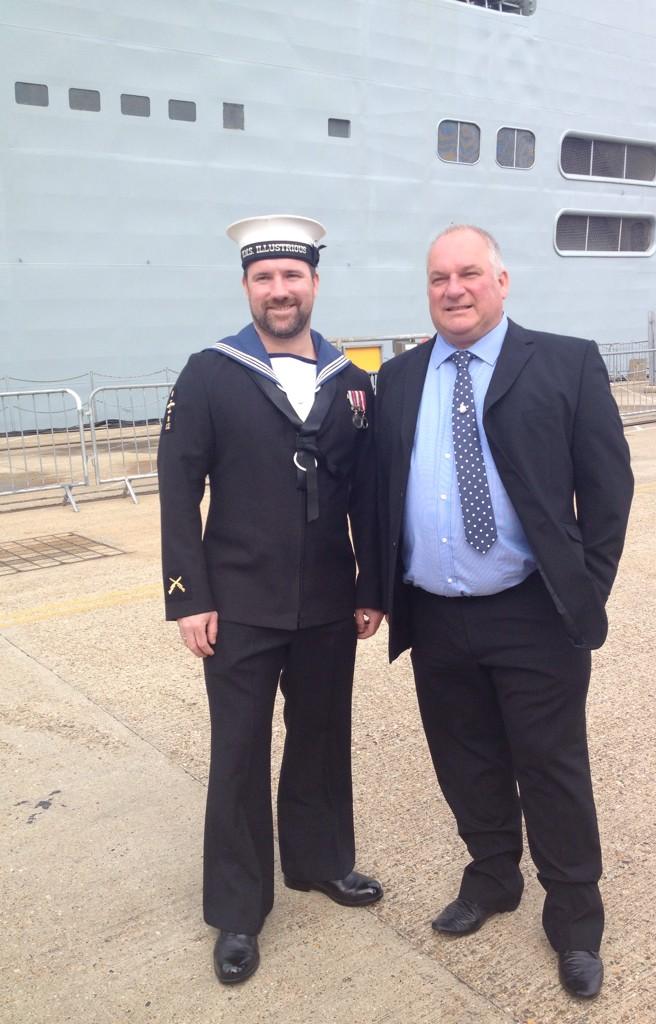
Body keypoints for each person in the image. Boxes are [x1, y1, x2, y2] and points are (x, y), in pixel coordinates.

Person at [375, 225, 633, 999]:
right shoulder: (400, 379)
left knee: (551, 769)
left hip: (532, 613)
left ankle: (576, 923)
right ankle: (492, 879)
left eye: (468, 274)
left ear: (502, 280)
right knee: (466, 761)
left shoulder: (564, 362)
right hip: (435, 613)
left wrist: (580, 590)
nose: (452, 289)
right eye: (437, 279)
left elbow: (609, 489)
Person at [158, 215, 384, 986]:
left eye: (293, 276)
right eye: (265, 278)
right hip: (239, 605)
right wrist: (188, 596)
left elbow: (367, 495)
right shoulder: (210, 373)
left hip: (327, 601)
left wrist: (372, 587)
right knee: (239, 754)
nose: (279, 290)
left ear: (314, 283)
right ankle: (236, 910)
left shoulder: (352, 382)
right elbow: (178, 487)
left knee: (321, 739)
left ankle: (320, 863)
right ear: (247, 286)